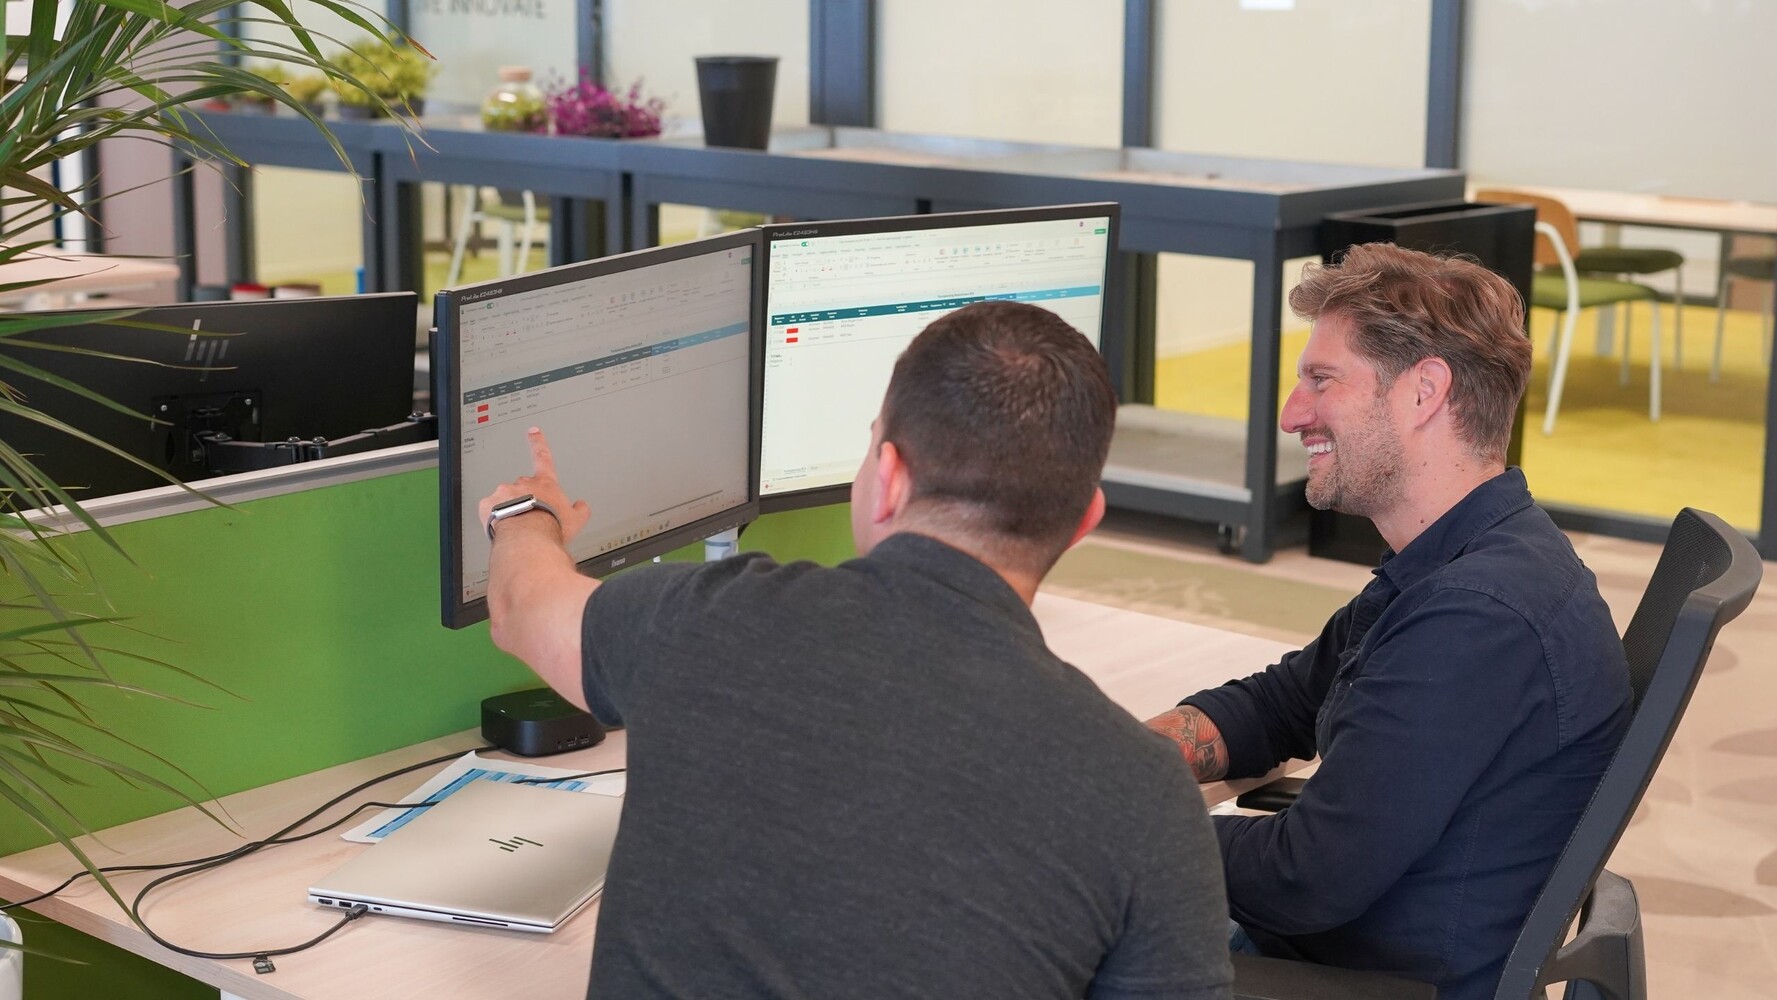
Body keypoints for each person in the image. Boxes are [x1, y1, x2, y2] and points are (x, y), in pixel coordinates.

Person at [481, 300, 1234, 1000]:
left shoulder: (698, 621)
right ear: (1085, 520)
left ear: (889, 478)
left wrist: (525, 513)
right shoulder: (1145, 795)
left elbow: (523, 605)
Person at [1144, 243, 1632, 1000]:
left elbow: (1306, 877)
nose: (1291, 413)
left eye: (1322, 380)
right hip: (1339, 956)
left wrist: (1108, 822)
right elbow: (1282, 703)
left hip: (1354, 980)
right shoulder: (1461, 555)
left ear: (1423, 392)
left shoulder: (1476, 616)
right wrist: (1118, 761)